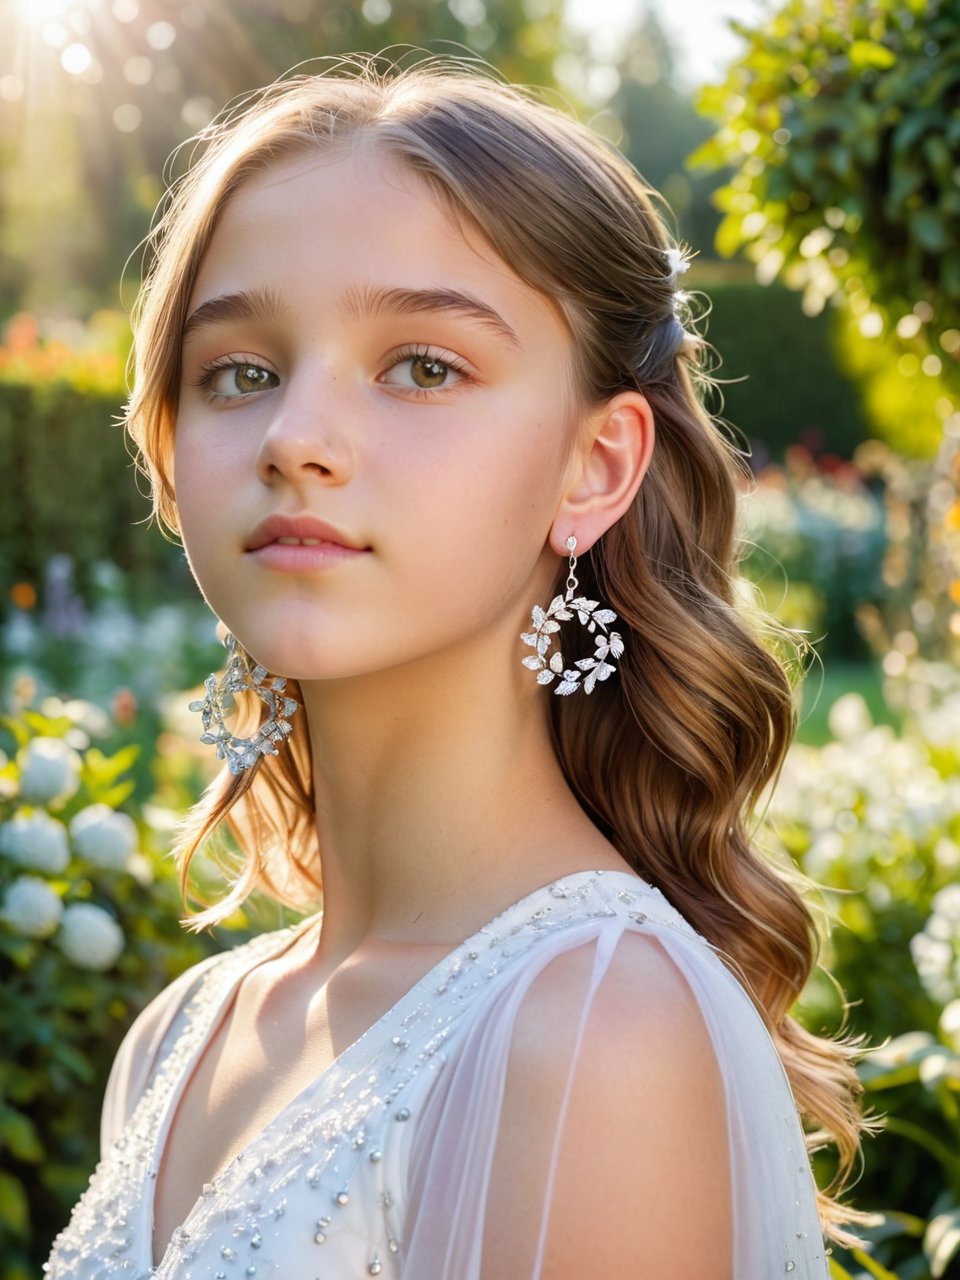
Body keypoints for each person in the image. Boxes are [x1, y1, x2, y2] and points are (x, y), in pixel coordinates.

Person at [45, 58, 868, 1280]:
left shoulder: (598, 1025)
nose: (296, 439)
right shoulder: (180, 1031)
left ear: (594, 465)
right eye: (241, 371)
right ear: (169, 454)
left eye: (423, 365)